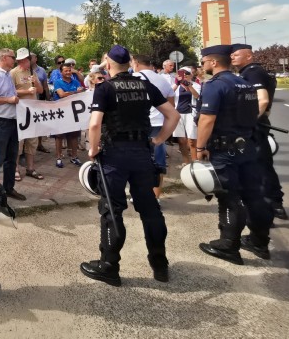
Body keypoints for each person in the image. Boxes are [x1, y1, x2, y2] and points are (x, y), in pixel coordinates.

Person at [81, 45, 179, 286]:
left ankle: (109, 266)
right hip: (142, 154)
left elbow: (95, 125)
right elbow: (173, 116)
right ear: (130, 62)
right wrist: (158, 140)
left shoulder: (105, 88)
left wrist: (93, 149)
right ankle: (160, 264)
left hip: (114, 155)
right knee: (150, 209)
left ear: (108, 62)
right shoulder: (145, 85)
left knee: (112, 210)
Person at [195, 45, 275, 264]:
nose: (203, 66)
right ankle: (260, 241)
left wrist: (200, 148)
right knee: (254, 195)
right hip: (247, 147)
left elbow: (207, 119)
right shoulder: (245, 83)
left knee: (229, 197)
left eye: (204, 62)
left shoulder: (216, 85)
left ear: (212, 62)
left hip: (224, 149)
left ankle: (229, 245)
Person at [230, 43, 287, 220]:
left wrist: (246, 123)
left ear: (249, 56)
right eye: (231, 55)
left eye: (237, 55)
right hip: (256, 126)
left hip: (254, 128)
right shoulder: (248, 72)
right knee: (262, 166)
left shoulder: (253, 72)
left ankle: (269, 209)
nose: (232, 57)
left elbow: (262, 101)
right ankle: (273, 206)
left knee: (259, 168)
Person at [0, 49, 26, 201]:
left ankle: (8, 188)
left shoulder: (8, 75)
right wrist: (8, 100)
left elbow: (10, 96)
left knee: (11, 158)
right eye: (13, 57)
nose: (15, 60)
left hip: (13, 121)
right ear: (4, 58)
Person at [131, 55, 175, 200]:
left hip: (139, 124)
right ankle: (155, 197)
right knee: (158, 162)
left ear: (136, 63)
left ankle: (138, 194)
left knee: (137, 160)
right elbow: (171, 106)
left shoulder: (134, 77)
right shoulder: (162, 79)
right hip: (159, 124)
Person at [10, 48, 43, 180]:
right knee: (19, 141)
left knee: (32, 141)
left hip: (32, 111)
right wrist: (26, 92)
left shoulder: (33, 72)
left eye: (28, 58)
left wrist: (35, 84)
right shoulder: (13, 73)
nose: (27, 61)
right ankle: (15, 169)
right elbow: (10, 92)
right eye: (25, 59)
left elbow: (39, 90)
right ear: (19, 60)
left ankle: (30, 168)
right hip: (19, 111)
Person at [49, 63, 85, 168]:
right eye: (66, 71)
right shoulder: (57, 82)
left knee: (74, 135)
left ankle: (74, 156)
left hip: (73, 112)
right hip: (60, 112)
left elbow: (82, 92)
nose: (68, 72)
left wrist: (71, 92)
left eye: (69, 70)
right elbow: (61, 94)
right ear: (61, 72)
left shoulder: (76, 81)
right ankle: (59, 158)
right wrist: (75, 92)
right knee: (59, 136)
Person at [172, 67, 201, 164]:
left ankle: (195, 162)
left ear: (190, 75)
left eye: (186, 73)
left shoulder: (195, 85)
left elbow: (197, 96)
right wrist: (177, 83)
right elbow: (169, 94)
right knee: (181, 140)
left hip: (190, 114)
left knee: (192, 140)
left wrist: (189, 85)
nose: (184, 75)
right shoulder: (176, 86)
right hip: (178, 114)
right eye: (182, 73)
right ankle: (186, 162)